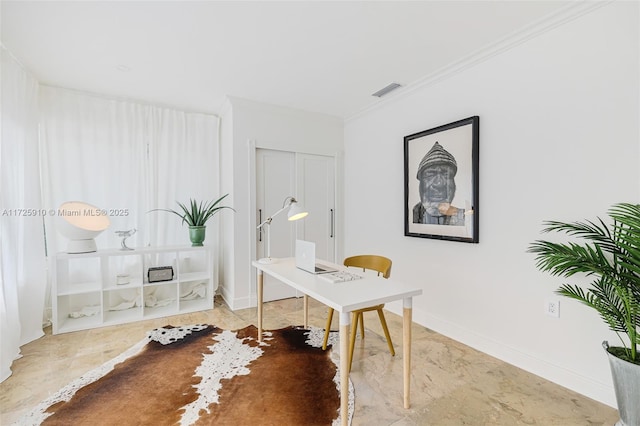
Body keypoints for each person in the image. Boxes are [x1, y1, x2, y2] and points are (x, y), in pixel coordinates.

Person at [413, 141, 465, 225]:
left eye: (446, 175)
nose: (439, 183)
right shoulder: (412, 215)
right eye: (430, 174)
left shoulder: (465, 218)